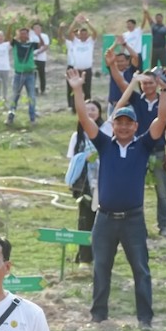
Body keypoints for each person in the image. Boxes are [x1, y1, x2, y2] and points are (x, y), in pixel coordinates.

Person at [69, 68, 166, 328]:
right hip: (104, 218)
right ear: (112, 125)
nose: (123, 127)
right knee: (101, 268)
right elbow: (84, 118)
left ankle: (145, 319)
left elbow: (161, 120)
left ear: (135, 126)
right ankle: (98, 316)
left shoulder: (143, 145)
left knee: (141, 270)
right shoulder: (105, 145)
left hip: (133, 219)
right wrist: (78, 89)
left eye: (128, 123)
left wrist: (164, 90)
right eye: (119, 123)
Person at [115, 73, 166, 237]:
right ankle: (136, 225)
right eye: (144, 83)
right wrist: (115, 67)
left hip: (158, 150)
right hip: (138, 151)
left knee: (162, 191)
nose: (147, 86)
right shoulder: (136, 100)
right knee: (135, 189)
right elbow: (121, 83)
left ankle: (164, 226)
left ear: (157, 83)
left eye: (150, 83)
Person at [64, 99, 110, 265]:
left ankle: (100, 256)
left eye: (93, 109)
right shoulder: (77, 136)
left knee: (102, 221)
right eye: (87, 109)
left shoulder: (106, 131)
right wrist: (84, 158)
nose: (90, 112)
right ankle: (84, 257)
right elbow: (72, 159)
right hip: (84, 185)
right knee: (84, 220)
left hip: (104, 182)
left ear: (99, 113)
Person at [61, 15, 98, 111]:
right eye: (82, 34)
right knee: (76, 90)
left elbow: (95, 32)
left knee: (87, 90)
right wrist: (75, 22)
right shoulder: (75, 42)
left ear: (87, 35)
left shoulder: (90, 42)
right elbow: (69, 32)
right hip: (77, 70)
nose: (83, 36)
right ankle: (74, 108)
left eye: (85, 34)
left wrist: (87, 22)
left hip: (87, 70)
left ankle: (87, 108)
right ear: (79, 34)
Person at [8, 28, 43, 126]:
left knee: (31, 97)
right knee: (15, 97)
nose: (23, 35)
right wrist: (10, 26)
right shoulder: (15, 44)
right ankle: (10, 118)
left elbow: (41, 44)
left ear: (28, 35)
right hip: (18, 74)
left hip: (30, 75)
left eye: (25, 34)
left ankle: (32, 119)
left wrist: (39, 35)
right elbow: (8, 38)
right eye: (21, 34)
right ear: (19, 35)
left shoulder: (32, 45)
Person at [104, 47, 136, 112]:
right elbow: (107, 55)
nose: (119, 63)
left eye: (121, 61)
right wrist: (115, 44)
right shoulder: (113, 70)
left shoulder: (130, 71)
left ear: (127, 61)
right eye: (117, 61)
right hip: (113, 106)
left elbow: (135, 57)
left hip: (127, 106)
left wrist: (125, 44)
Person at [147, 5, 166, 70]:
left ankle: (165, 76)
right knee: (153, 66)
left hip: (162, 49)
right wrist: (146, 11)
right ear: (155, 18)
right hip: (154, 49)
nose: (158, 19)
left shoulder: (165, 27)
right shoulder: (153, 26)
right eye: (157, 18)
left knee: (164, 65)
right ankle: (153, 76)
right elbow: (149, 18)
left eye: (159, 17)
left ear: (162, 18)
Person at [30, 22, 51, 95]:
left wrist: (39, 52)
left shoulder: (44, 36)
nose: (37, 29)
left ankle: (43, 89)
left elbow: (46, 46)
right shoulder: (31, 37)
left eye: (38, 27)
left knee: (42, 74)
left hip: (41, 58)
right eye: (35, 28)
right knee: (33, 74)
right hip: (33, 58)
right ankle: (33, 89)